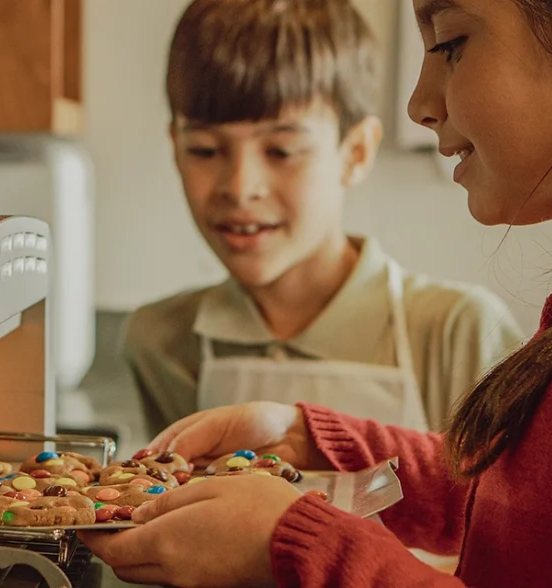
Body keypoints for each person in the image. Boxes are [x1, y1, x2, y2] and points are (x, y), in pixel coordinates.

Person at [81, 0, 552, 585]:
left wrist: (301, 544)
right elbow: (523, 506)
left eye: (453, 43)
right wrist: (313, 440)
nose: (418, 104)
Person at [121, 0, 523, 436]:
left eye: (281, 151)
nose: (239, 188)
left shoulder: (459, 333)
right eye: (204, 150)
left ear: (356, 153)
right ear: (175, 147)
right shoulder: (161, 342)